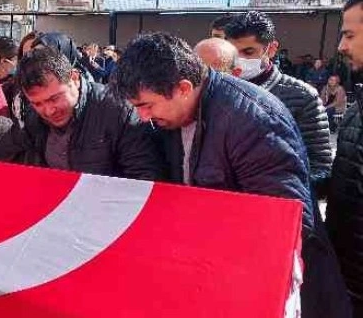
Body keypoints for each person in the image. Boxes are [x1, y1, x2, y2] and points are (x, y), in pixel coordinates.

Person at [111, 32, 351, 318]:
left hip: (275, 288)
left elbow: (287, 223)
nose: (143, 117)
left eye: (146, 105)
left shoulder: (253, 121)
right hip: (218, 271)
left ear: (184, 87)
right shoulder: (174, 116)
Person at [225, 11, 332, 195]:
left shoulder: (303, 97)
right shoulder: (219, 92)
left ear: (272, 48)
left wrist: (279, 194)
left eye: (248, 52)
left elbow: (320, 168)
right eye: (233, 53)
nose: (238, 61)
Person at [17, 47, 162, 179]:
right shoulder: (33, 119)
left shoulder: (118, 110)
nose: (48, 111)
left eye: (54, 98)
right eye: (37, 103)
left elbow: (144, 178)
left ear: (73, 78)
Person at [326, 0, 363, 315]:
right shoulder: (357, 110)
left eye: (350, 35)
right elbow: (345, 181)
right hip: (345, 285)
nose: (341, 47)